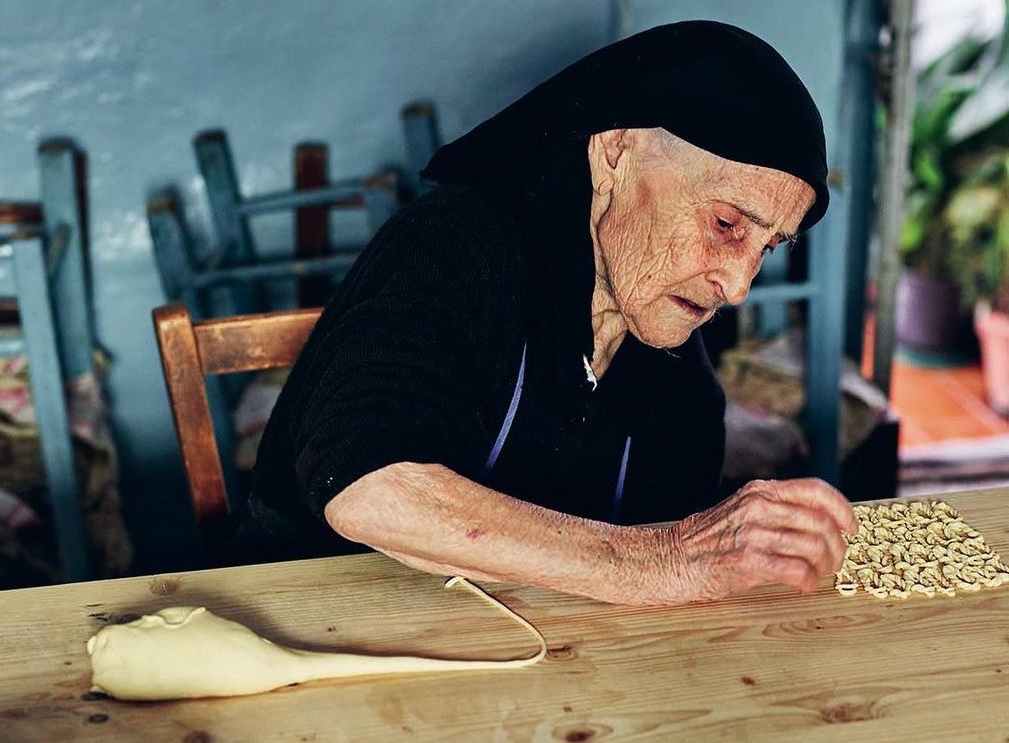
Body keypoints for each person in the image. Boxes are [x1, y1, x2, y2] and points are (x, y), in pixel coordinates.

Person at [238, 20, 859, 605]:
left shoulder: (677, 381)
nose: (739, 285)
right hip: (315, 631)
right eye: (726, 224)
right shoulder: (457, 245)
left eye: (767, 247)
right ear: (615, 152)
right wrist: (660, 561)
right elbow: (368, 487)